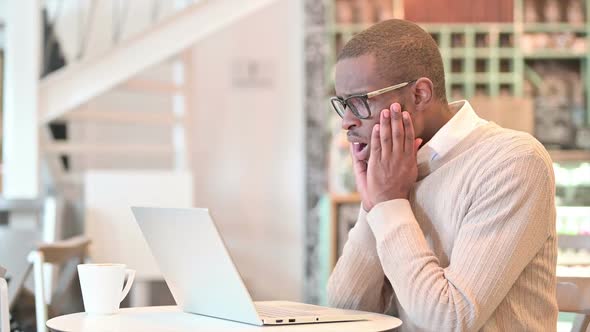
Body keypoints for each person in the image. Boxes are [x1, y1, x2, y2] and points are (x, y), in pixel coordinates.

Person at [327, 19, 557, 331]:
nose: (347, 121)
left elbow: (450, 321)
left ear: (420, 94)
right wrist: (374, 206)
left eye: (359, 101)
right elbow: (345, 312)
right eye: (343, 104)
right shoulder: (397, 169)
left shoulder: (513, 160)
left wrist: (389, 203)